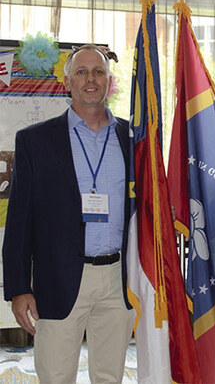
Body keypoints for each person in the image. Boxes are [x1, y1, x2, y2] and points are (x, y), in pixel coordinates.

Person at [2, 44, 134, 383]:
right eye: (81, 71)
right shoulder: (35, 141)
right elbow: (19, 221)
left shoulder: (133, 139)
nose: (90, 79)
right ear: (67, 81)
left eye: (98, 72)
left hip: (119, 279)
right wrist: (18, 287)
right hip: (57, 279)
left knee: (110, 376)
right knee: (56, 375)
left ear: (109, 81)